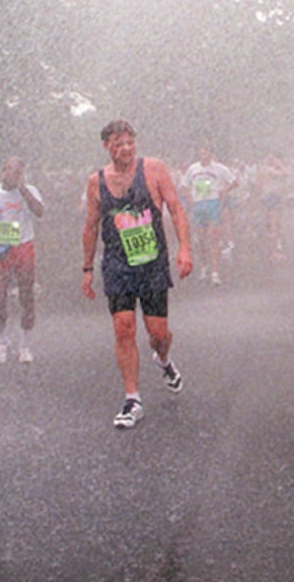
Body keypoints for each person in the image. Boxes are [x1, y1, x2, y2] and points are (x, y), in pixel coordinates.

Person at [82, 119, 194, 428]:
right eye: (118, 143)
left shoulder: (153, 169)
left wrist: (184, 248)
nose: (126, 148)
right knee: (124, 327)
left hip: (152, 264)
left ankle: (164, 359)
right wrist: (87, 268)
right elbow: (91, 226)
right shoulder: (96, 182)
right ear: (107, 146)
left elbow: (176, 208)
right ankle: (132, 399)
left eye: (130, 141)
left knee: (158, 334)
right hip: (118, 264)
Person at [0, 156, 46, 360]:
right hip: (1, 248)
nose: (12, 175)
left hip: (23, 246)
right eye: (9, 170)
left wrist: (22, 189)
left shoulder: (29, 191)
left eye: (18, 172)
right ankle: (2, 340)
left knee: (26, 295)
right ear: (2, 171)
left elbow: (40, 212)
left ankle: (24, 343)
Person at [179, 146, 238, 285]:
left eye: (206, 153)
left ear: (211, 154)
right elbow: (183, 186)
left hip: (213, 203)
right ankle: (204, 266)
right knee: (201, 240)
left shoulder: (219, 168)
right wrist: (190, 199)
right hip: (199, 204)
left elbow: (234, 181)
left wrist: (224, 190)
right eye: (202, 152)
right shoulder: (193, 169)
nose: (204, 155)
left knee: (214, 238)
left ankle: (215, 273)